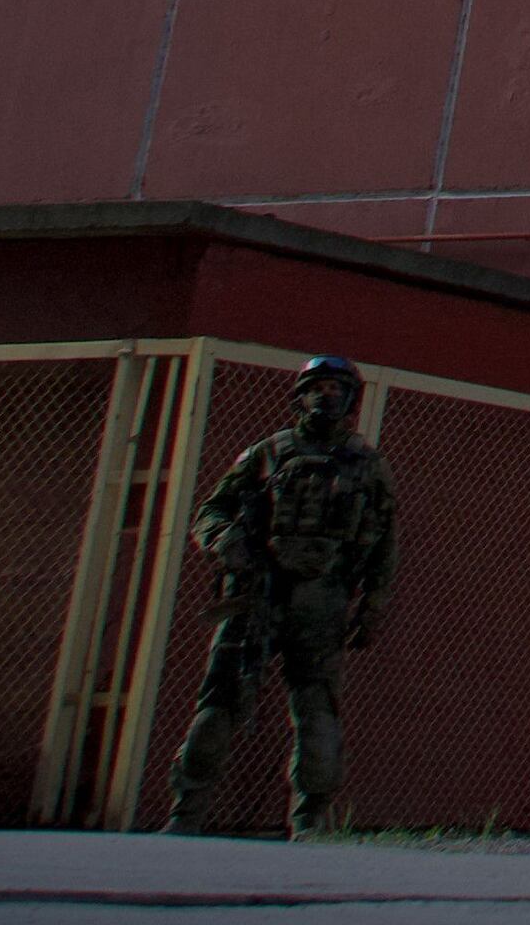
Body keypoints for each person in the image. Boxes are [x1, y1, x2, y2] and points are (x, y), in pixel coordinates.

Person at [164, 351, 398, 837]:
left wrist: (371, 607)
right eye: (318, 388)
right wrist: (228, 542)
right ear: (300, 396)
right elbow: (210, 512)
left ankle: (310, 820)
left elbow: (384, 544)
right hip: (258, 597)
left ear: (350, 400)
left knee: (316, 712)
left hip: (322, 602)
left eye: (337, 389)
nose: (326, 396)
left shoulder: (367, 465)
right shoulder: (267, 454)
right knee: (222, 702)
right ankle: (186, 813)